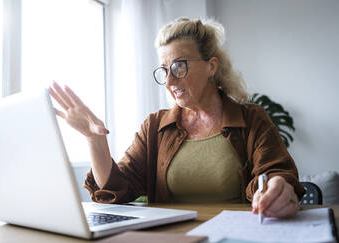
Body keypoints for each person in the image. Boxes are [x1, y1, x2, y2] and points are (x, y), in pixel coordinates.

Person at [49, 18, 305, 218]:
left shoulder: (251, 119)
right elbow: (118, 189)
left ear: (211, 67)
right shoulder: (154, 127)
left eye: (179, 66)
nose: (169, 80)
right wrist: (95, 140)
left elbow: (276, 172)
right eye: (164, 70)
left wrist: (277, 187)